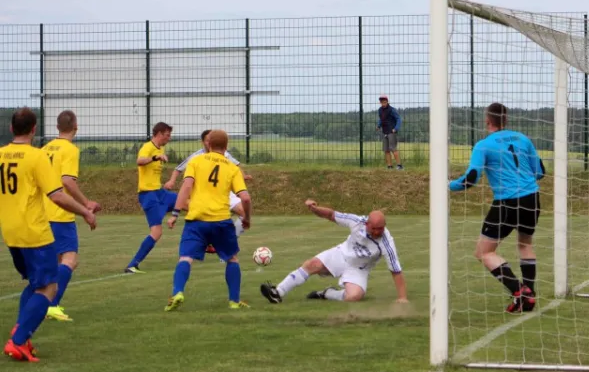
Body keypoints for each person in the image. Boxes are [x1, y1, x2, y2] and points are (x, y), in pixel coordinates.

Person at [1, 108, 96, 362]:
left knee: (36, 283)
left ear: (11, 128)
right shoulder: (35, 157)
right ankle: (17, 341)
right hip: (34, 230)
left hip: (10, 231)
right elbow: (57, 195)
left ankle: (21, 331)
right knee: (49, 287)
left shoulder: (1, 155)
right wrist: (85, 211)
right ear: (34, 129)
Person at [449, 102, 545, 313]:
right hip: (532, 198)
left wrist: (448, 186)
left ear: (487, 120)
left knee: (484, 252)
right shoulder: (523, 139)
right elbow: (540, 172)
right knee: (525, 244)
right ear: (506, 119)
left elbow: (472, 178)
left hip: (507, 202)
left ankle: (520, 291)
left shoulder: (483, 145)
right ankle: (529, 295)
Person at [164, 130, 252, 311]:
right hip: (221, 220)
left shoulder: (195, 161)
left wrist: (175, 213)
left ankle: (178, 292)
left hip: (197, 220)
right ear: (226, 147)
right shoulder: (232, 168)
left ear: (208, 144)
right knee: (232, 259)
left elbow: (186, 187)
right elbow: (246, 198)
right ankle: (234, 301)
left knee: (186, 257)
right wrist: (247, 218)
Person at [260, 200, 408, 304]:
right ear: (367, 223)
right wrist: (315, 209)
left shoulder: (387, 242)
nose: (377, 232)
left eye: (380, 228)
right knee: (312, 264)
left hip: (359, 269)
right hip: (341, 255)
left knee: (354, 296)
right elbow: (332, 215)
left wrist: (402, 298)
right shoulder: (356, 221)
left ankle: (327, 294)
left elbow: (395, 270)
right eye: (374, 228)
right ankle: (277, 292)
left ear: (385, 226)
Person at [42, 110, 101, 322]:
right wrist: (86, 204)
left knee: (57, 261)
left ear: (57, 127)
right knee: (70, 259)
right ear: (76, 126)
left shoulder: (46, 148)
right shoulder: (70, 150)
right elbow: (67, 181)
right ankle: (51, 304)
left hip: (43, 211)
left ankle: (46, 303)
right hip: (61, 212)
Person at [124, 122, 175, 274]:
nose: (169, 138)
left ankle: (207, 243)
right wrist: (155, 157)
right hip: (148, 195)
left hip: (160, 192)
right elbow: (139, 161)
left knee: (188, 203)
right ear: (159, 134)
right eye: (167, 135)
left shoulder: (162, 148)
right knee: (156, 232)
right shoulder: (148, 147)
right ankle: (132, 264)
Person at [376, 95, 403, 170]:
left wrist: (396, 128)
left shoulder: (392, 110)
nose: (383, 103)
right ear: (380, 102)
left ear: (387, 101)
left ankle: (399, 166)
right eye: (381, 102)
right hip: (385, 132)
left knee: (393, 149)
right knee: (386, 150)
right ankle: (389, 166)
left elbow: (398, 119)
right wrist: (378, 126)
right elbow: (381, 119)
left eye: (384, 102)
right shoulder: (380, 110)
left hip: (391, 131)